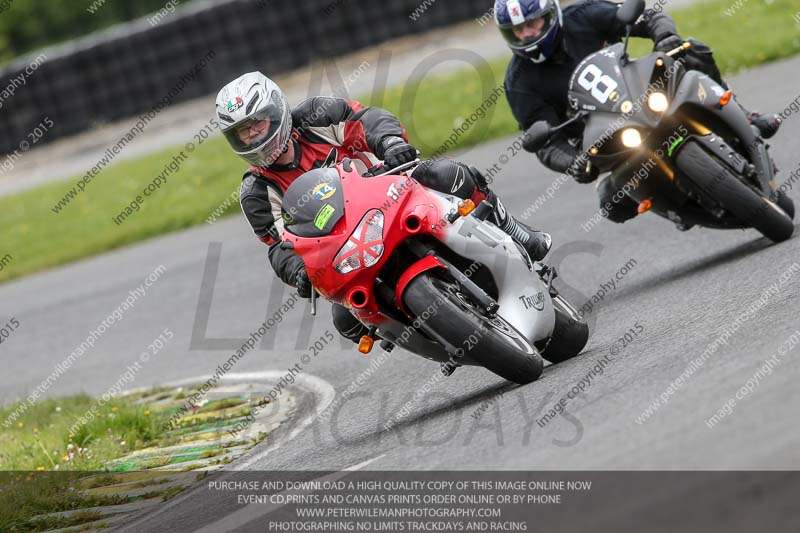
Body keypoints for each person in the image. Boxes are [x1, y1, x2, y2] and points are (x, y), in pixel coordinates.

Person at [216, 72, 551, 342]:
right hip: (345, 246)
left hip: (390, 189)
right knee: (345, 319)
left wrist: (391, 143)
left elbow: (367, 120)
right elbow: (279, 248)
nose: (254, 136)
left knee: (449, 174)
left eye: (258, 123)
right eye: (243, 132)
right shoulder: (256, 192)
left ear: (276, 111)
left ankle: (516, 233)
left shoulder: (316, 116)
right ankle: (423, 334)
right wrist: (299, 272)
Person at [494, 0, 782, 223]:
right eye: (517, 30)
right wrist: (573, 162)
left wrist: (666, 36)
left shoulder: (584, 15)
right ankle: (680, 208)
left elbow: (648, 17)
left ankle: (745, 115)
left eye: (532, 23)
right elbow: (543, 142)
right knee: (612, 201)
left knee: (692, 49)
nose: (526, 34)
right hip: (607, 137)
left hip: (642, 91)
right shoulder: (519, 82)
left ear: (550, 14)